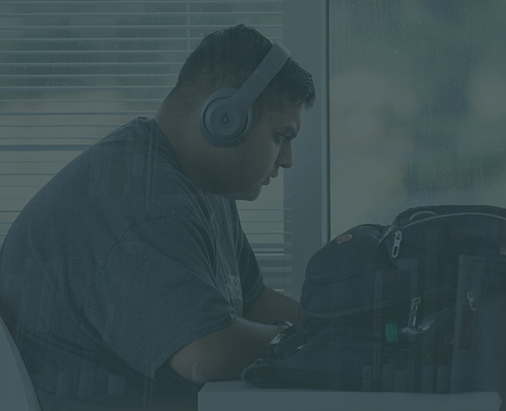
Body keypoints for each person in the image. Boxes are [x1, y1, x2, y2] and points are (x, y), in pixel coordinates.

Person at [0, 24, 315, 411]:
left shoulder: (199, 184)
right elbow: (205, 351)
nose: (287, 160)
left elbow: (251, 301)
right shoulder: (140, 198)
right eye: (281, 136)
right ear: (226, 119)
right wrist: (310, 342)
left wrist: (338, 323)